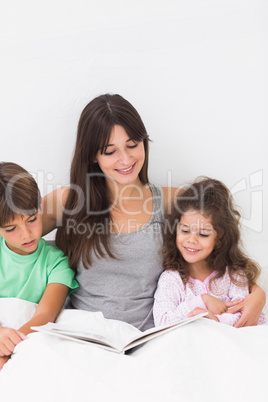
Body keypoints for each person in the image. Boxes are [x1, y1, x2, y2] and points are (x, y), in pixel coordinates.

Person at [42, 94, 266, 331]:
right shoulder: (69, 201)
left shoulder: (173, 201)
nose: (126, 159)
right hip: (87, 334)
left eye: (132, 145)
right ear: (92, 156)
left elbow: (221, 252)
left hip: (155, 337)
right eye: (110, 151)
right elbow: (11, 230)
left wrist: (258, 295)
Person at [153, 177, 267, 327]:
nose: (191, 239)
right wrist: (202, 301)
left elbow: (243, 316)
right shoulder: (172, 280)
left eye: (203, 234)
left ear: (219, 238)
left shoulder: (234, 275)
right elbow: (162, 323)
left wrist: (214, 321)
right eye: (185, 230)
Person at [0, 162, 79, 370]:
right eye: (11, 228)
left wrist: (7, 351)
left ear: (41, 208)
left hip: (25, 344)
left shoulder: (57, 263)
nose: (26, 234)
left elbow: (44, 317)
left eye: (32, 219)